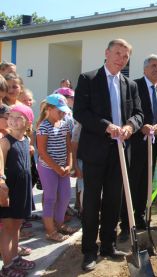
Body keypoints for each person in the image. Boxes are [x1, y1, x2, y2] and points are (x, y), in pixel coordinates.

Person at [73, 39, 143, 271]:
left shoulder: (130, 84)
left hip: (120, 152)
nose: (121, 58)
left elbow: (138, 113)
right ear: (107, 53)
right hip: (95, 151)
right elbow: (80, 112)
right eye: (117, 53)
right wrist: (106, 126)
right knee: (92, 202)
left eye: (125, 56)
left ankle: (108, 245)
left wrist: (130, 126)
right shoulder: (88, 79)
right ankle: (89, 250)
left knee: (114, 200)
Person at [119, 54, 157, 241]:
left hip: (152, 146)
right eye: (154, 66)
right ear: (145, 68)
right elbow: (128, 113)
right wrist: (140, 127)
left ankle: (140, 218)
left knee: (145, 184)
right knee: (131, 184)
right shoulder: (134, 87)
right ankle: (125, 225)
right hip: (134, 145)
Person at [0, 105, 36, 277]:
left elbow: (22, 164)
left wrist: (30, 154)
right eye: (10, 116)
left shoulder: (26, 140)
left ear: (28, 123)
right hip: (10, 191)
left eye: (18, 117)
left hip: (22, 190)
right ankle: (7, 266)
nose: (12, 120)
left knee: (16, 226)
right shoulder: (4, 142)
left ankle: (14, 258)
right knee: (8, 228)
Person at [36, 94, 77, 242]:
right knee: (50, 198)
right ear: (49, 109)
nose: (63, 114)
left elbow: (68, 146)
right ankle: (50, 230)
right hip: (48, 168)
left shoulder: (64, 123)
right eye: (59, 111)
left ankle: (58, 224)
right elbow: (42, 152)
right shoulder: (43, 127)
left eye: (64, 111)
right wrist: (57, 168)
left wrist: (68, 165)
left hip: (63, 168)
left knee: (65, 196)